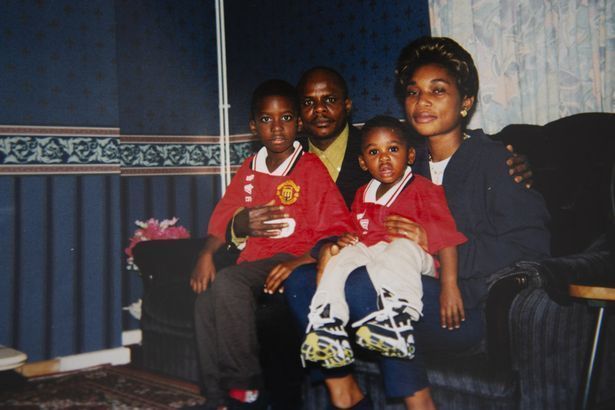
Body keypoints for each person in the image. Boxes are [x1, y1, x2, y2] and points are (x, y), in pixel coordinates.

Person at [284, 37, 551, 410]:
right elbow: (358, 220)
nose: (422, 101)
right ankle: (345, 395)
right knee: (300, 281)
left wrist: (436, 246)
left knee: (366, 283)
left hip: (460, 304)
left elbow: (533, 246)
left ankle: (419, 401)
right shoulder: (401, 160)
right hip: (397, 286)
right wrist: (331, 246)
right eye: (413, 92)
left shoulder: (495, 162)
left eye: (437, 91)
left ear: (466, 103)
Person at [189, 79, 353, 409]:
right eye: (266, 120)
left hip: (292, 258)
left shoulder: (310, 169)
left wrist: (302, 259)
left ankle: (244, 387)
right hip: (255, 263)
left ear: (299, 122)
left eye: (286, 118)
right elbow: (223, 218)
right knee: (205, 300)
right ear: (253, 126)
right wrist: (206, 254)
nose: (277, 128)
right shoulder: (249, 169)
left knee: (229, 283)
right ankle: (217, 397)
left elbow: (338, 228)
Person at [300, 116, 467, 371]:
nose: (384, 158)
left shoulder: (423, 189)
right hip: (374, 256)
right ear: (363, 162)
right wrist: (347, 239)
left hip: (417, 262)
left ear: (410, 155)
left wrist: (450, 286)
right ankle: (328, 324)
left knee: (400, 246)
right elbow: (357, 233)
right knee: (340, 256)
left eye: (393, 149)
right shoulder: (361, 194)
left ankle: (398, 319)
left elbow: (446, 239)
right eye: (374, 152)